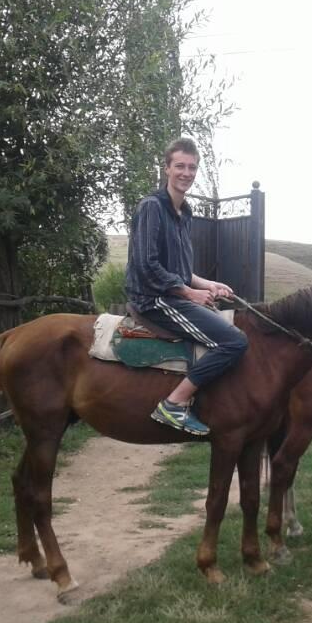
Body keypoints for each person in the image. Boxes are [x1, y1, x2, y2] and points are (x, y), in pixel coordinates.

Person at [125, 137, 247, 435]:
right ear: (166, 168)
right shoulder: (152, 207)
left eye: (192, 167)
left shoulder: (185, 213)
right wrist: (190, 293)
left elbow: (180, 270)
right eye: (179, 166)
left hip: (172, 294)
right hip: (152, 299)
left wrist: (209, 283)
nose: (186, 173)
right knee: (235, 342)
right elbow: (146, 266)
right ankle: (174, 404)